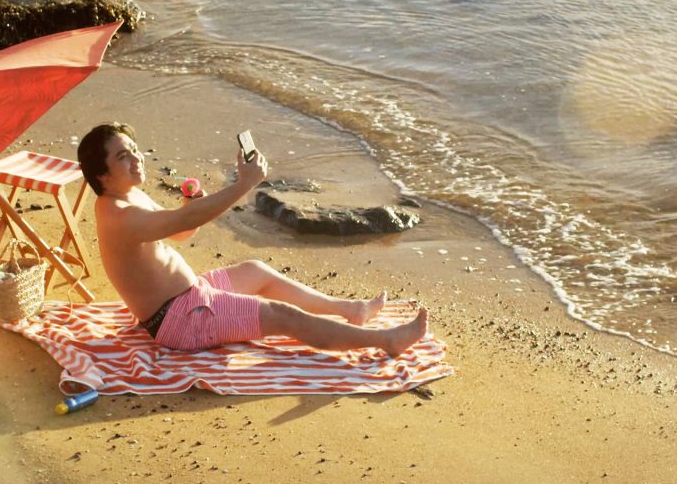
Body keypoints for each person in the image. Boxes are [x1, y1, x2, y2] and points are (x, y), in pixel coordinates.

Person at [77, 122, 427, 357]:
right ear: (102, 175)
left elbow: (181, 231)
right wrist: (244, 184)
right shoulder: (117, 214)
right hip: (180, 321)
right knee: (281, 315)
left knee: (256, 271)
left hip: (190, 297)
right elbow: (185, 221)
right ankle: (385, 340)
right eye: (123, 156)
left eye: (134, 149)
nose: (136, 158)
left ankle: (350, 310)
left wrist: (190, 204)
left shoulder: (128, 196)